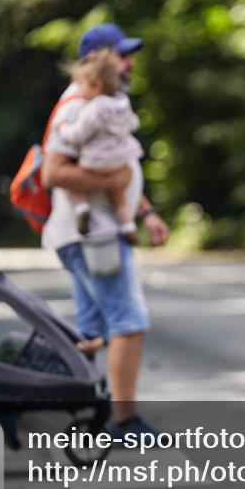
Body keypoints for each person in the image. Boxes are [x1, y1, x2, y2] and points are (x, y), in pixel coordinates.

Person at [40, 23, 169, 438]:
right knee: (128, 322)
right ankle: (124, 421)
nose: (130, 62)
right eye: (122, 54)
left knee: (93, 329)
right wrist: (113, 183)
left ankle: (92, 412)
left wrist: (145, 211)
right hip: (92, 235)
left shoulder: (106, 100)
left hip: (99, 231)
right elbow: (52, 172)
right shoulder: (77, 105)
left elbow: (120, 164)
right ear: (98, 60)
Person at [57, 48, 144, 243]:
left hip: (96, 160)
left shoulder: (93, 108)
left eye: (82, 85)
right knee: (118, 194)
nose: (79, 90)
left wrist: (63, 128)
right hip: (120, 159)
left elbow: (78, 135)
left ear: (96, 85)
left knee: (73, 181)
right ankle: (128, 224)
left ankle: (81, 208)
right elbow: (134, 123)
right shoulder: (123, 102)